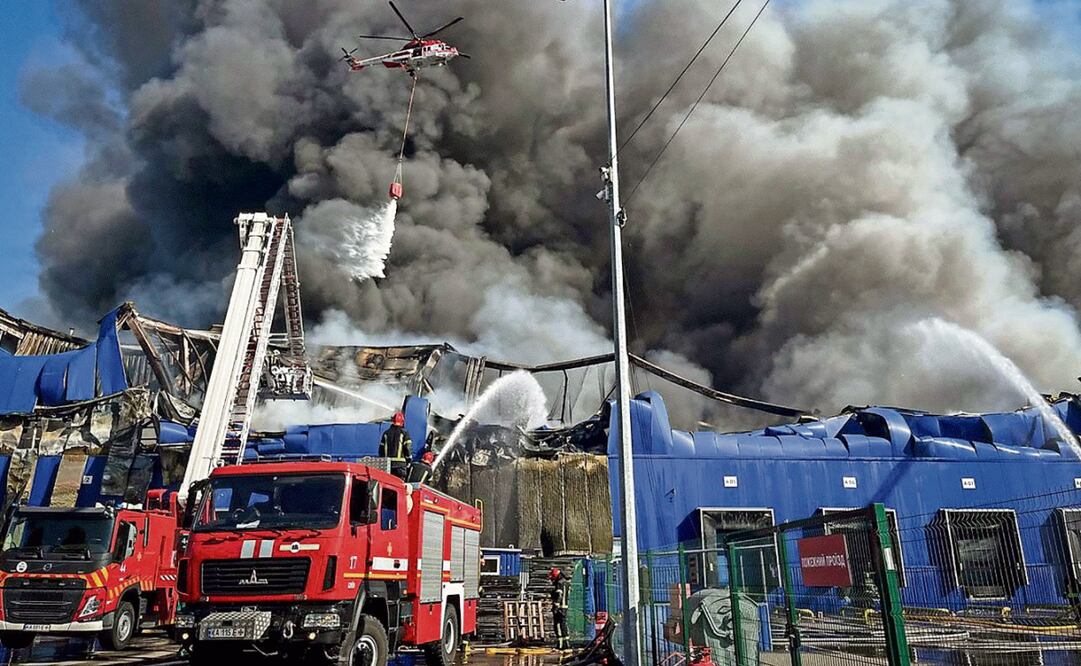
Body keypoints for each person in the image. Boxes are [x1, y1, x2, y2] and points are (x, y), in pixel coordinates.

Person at [379, 412, 412, 478]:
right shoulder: (404, 433)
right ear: (402, 422)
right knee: (399, 482)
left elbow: (381, 450)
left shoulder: (386, 433)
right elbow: (408, 447)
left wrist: (383, 461)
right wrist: (409, 459)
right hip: (400, 465)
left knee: (388, 481)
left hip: (388, 464)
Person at [550, 567, 571, 651]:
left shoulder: (559, 583)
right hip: (565, 606)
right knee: (563, 624)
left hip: (559, 608)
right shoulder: (566, 583)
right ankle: (567, 643)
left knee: (558, 625)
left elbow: (559, 596)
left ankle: (560, 644)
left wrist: (556, 606)